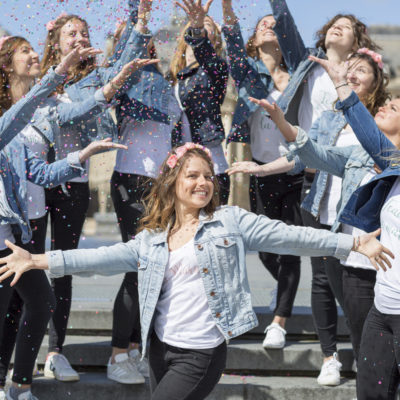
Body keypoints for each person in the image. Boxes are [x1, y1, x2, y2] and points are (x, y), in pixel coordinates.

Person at [0, 142, 393, 400]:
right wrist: (37, 260)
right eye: (193, 175)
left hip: (201, 353)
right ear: (172, 183)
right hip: (160, 350)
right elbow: (99, 258)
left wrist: (353, 242)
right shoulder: (152, 238)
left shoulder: (230, 222)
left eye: (208, 176)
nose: (203, 182)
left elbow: (292, 238)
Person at [228, 48, 389, 376]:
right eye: (350, 70)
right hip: (336, 224)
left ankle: (374, 370)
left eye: (361, 71)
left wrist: (340, 83)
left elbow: (360, 140)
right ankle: (343, 361)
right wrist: (266, 164)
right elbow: (313, 153)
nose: (353, 75)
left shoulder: (381, 131)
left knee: (377, 319)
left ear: (377, 83)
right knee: (344, 300)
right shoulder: (334, 120)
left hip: (379, 239)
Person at [0, 37, 129, 400]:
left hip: (17, 231)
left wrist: (83, 154)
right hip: (7, 232)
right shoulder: (9, 120)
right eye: (22, 51)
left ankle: (20, 385)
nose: (33, 55)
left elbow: (39, 172)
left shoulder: (26, 126)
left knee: (41, 302)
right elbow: (20, 112)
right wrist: (59, 72)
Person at [38, 8, 158, 382]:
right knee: (21, 266)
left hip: (72, 183)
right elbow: (63, 117)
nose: (80, 38)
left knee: (62, 267)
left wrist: (140, 22)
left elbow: (124, 61)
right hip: (32, 183)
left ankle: (55, 350)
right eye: (71, 34)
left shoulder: (97, 78)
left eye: (84, 32)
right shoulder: (44, 79)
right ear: (56, 43)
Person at [303, 54, 400, 400]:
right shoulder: (394, 163)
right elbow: (364, 127)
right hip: (383, 310)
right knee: (371, 393)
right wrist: (341, 83)